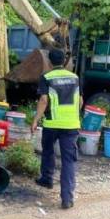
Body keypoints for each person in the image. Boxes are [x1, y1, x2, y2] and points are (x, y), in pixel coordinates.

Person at [31, 49, 82, 209]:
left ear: (50, 61)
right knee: (68, 161)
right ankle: (67, 198)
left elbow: (44, 100)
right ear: (64, 61)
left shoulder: (46, 77)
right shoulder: (75, 78)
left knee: (48, 150)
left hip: (52, 124)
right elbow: (80, 101)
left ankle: (47, 179)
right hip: (71, 125)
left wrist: (35, 120)